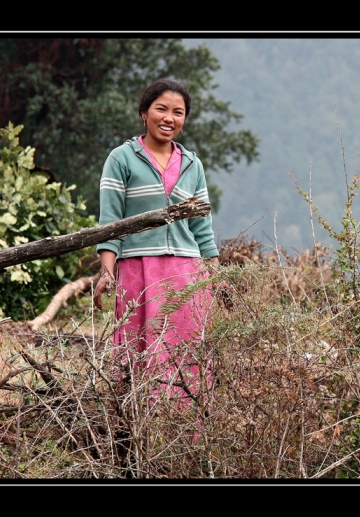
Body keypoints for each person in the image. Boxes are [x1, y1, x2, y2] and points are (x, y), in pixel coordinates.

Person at [93, 78, 219, 417]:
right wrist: (107, 270)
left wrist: (216, 274)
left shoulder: (193, 164)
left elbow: (202, 227)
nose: (169, 118)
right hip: (139, 269)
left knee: (187, 350)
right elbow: (110, 221)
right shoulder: (122, 158)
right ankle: (137, 425)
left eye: (178, 112)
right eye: (161, 109)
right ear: (144, 113)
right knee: (139, 350)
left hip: (187, 273)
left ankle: (186, 429)